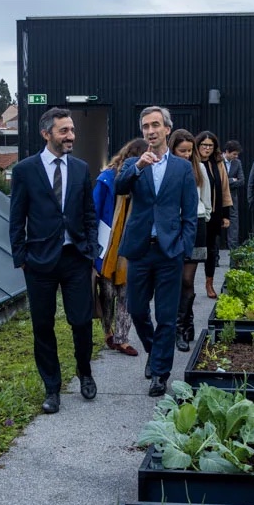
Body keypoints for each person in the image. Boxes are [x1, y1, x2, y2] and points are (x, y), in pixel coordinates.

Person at [9, 107, 99, 414]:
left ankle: (84, 372)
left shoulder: (80, 168)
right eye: (64, 131)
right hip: (39, 263)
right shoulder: (25, 171)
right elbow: (16, 217)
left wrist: (90, 250)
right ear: (47, 133)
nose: (71, 136)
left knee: (82, 321)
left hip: (75, 258)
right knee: (43, 326)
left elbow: (89, 213)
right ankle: (52, 388)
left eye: (72, 130)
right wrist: (21, 256)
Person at [114, 106, 198, 397]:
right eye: (145, 126)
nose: (150, 131)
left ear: (166, 129)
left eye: (155, 125)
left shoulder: (182, 167)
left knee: (165, 314)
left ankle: (160, 373)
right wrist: (138, 167)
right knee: (137, 309)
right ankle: (155, 352)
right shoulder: (135, 164)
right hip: (139, 250)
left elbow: (189, 213)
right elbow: (119, 188)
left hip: (168, 252)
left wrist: (183, 247)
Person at [93, 138, 147, 357]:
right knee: (106, 291)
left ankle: (123, 338)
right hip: (108, 242)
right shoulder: (107, 178)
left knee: (127, 291)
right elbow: (95, 210)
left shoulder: (146, 179)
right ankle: (108, 331)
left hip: (132, 242)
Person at [169, 130, 214, 352]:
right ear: (172, 149)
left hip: (196, 225)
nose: (186, 155)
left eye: (189, 151)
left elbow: (206, 201)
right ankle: (182, 325)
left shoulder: (200, 169)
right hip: (173, 226)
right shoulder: (166, 168)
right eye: (181, 151)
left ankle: (183, 325)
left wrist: (203, 218)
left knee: (187, 279)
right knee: (175, 278)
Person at [195, 131, 233, 300]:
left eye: (210, 145)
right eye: (204, 145)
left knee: (212, 250)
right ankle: (188, 284)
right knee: (194, 250)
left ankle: (209, 283)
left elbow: (225, 189)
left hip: (215, 213)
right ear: (198, 145)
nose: (207, 148)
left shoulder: (218, 163)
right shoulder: (192, 162)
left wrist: (226, 215)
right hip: (196, 214)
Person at [222, 140, 245, 251]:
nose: (236, 156)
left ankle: (233, 255)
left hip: (232, 199)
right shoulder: (218, 161)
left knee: (234, 226)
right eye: (234, 154)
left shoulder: (237, 163)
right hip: (219, 199)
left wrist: (226, 180)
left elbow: (241, 181)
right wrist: (232, 180)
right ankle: (215, 258)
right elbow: (219, 181)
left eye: (237, 154)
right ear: (227, 152)